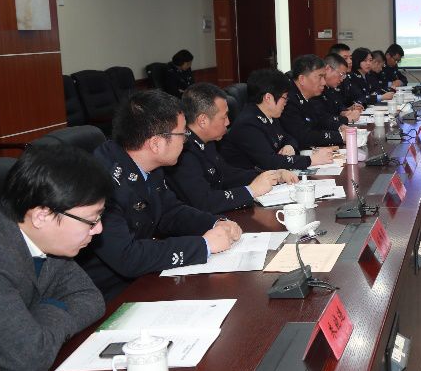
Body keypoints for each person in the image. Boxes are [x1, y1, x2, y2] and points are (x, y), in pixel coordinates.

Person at [80, 90, 243, 299]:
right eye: (182, 134)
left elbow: (170, 212)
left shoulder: (147, 164)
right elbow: (127, 257)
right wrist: (203, 245)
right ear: (156, 143)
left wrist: (215, 223)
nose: (186, 141)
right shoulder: (103, 183)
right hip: (109, 294)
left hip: (145, 277)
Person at [0, 145, 111, 371]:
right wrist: (32, 335)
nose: (98, 229)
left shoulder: (42, 237)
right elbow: (30, 356)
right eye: (91, 220)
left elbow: (89, 297)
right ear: (42, 215)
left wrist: (34, 320)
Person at [167, 83, 298, 214]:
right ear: (203, 120)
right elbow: (204, 202)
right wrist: (251, 191)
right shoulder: (182, 152)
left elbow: (227, 174)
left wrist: (272, 175)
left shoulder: (207, 141)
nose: (228, 122)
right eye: (224, 117)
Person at [221, 69, 337, 171]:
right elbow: (270, 162)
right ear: (268, 98)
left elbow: (289, 137)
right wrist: (311, 160)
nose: (286, 102)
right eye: (284, 97)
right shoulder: (248, 124)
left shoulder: (269, 114)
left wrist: (289, 146)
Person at [281, 54, 345, 149]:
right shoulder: (288, 100)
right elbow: (304, 136)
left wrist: (340, 127)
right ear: (302, 79)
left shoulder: (307, 95)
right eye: (320, 77)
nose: (324, 82)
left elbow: (319, 120)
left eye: (324, 77)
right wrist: (340, 136)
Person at [322, 53, 362, 124]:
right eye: (341, 74)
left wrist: (346, 111)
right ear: (328, 69)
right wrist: (347, 119)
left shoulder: (331, 89)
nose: (342, 79)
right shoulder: (317, 89)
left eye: (344, 76)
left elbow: (338, 108)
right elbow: (323, 120)